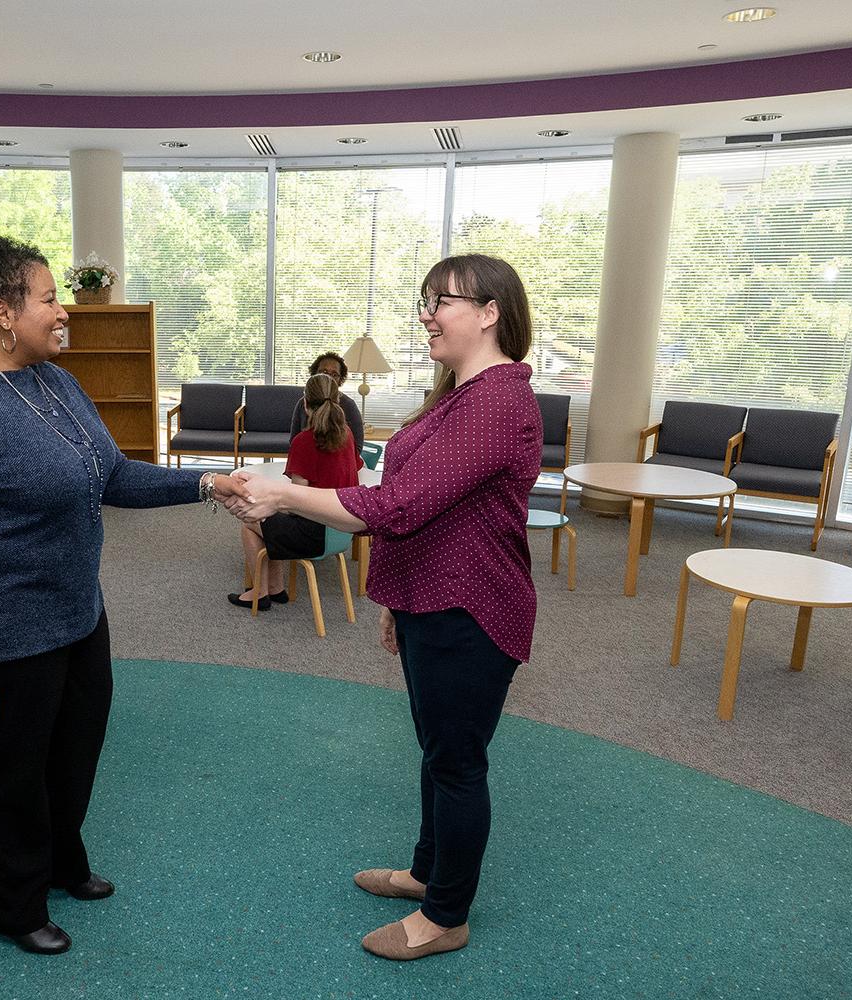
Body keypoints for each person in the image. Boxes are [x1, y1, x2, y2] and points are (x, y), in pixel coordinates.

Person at [0, 233, 246, 956]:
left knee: (73, 751)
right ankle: (11, 906)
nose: (62, 312)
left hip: (76, 614)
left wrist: (208, 483)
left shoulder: (55, 380)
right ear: (1, 312)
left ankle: (58, 863)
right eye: (49, 298)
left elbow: (111, 476)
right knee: (6, 773)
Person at [226, 253, 541, 961]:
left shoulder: (496, 399)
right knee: (437, 754)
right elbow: (430, 512)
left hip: (473, 609)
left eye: (444, 302)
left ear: (490, 313)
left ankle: (446, 916)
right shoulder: (460, 395)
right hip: (435, 599)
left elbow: (396, 506)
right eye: (424, 301)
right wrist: (397, 598)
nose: (427, 314)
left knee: (457, 763)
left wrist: (280, 492)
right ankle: (427, 874)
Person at [230, 372, 362, 609]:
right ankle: (276, 588)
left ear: (305, 404)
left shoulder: (304, 442)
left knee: (251, 520)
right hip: (342, 529)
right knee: (272, 519)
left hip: (314, 533)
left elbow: (296, 499)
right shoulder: (347, 435)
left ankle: (260, 593)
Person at [288, 351, 365, 452]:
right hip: (307, 461)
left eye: (334, 374)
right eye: (324, 372)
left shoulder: (348, 405)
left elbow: (357, 447)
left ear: (340, 380)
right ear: (314, 374)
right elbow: (294, 441)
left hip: (341, 465)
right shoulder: (303, 403)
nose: (328, 377)